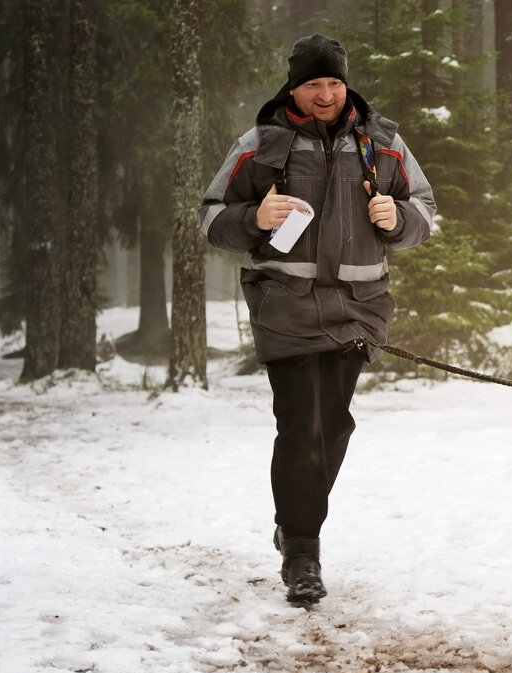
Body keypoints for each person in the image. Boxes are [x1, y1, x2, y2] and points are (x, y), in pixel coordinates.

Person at [198, 33, 436, 605]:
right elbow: (209, 220)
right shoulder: (261, 144)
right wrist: (255, 215)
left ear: (345, 82)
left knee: (334, 428)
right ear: (294, 87)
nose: (325, 93)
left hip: (359, 307)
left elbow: (425, 210)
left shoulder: (383, 143)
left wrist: (397, 216)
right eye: (313, 83)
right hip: (287, 306)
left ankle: (293, 524)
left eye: (333, 82)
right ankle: (303, 553)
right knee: (301, 429)